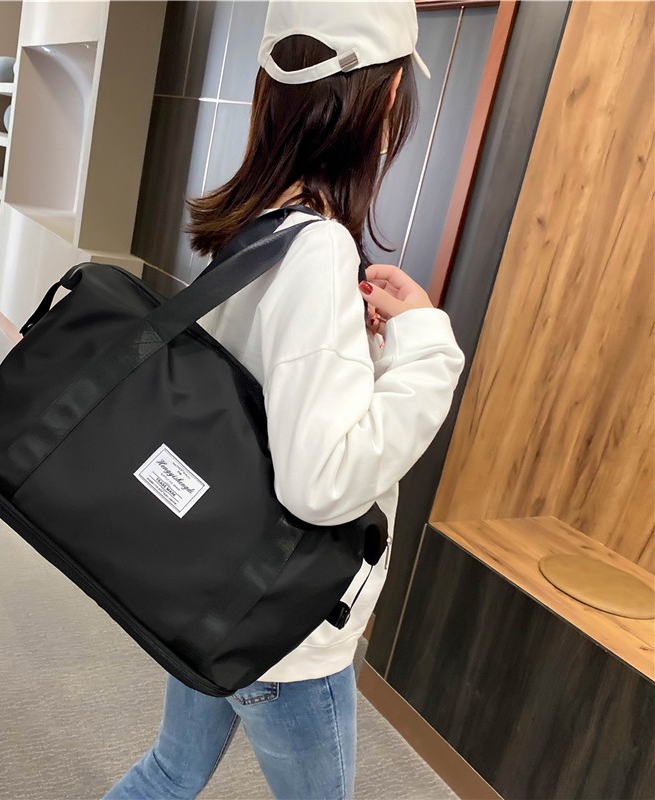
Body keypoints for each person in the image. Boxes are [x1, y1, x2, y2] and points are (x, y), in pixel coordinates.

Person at [101, 2, 465, 798]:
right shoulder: (320, 249)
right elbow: (321, 483)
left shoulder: (264, 221)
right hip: (285, 623)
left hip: (217, 577)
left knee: (169, 773)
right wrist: (427, 345)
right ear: (385, 99)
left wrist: (361, 350)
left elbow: (266, 397)